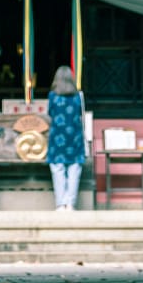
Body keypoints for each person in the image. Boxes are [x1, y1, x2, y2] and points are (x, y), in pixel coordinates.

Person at [47, 65, 85, 210]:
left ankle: (60, 204)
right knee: (74, 169)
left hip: (57, 137)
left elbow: (50, 113)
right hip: (75, 136)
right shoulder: (78, 96)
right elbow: (81, 114)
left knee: (58, 169)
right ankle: (71, 203)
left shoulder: (52, 96)